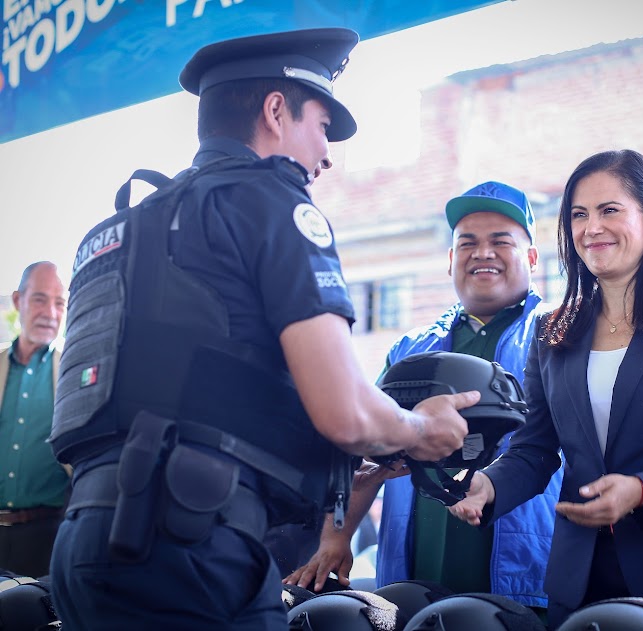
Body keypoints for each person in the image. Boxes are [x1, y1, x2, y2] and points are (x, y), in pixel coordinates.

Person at [46, 28, 479, 631]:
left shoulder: (118, 232)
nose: (327, 155)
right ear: (277, 111)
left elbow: (165, 399)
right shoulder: (271, 201)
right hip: (191, 545)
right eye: (322, 127)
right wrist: (419, 429)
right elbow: (345, 411)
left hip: (83, 545)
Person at [450, 149, 643, 631]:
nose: (591, 228)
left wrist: (641, 491)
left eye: (609, 210)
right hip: (579, 582)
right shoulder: (553, 330)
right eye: (578, 214)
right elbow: (534, 449)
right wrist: (489, 484)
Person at [286, 181, 563, 618]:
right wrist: (337, 536)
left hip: (528, 577)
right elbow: (365, 448)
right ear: (451, 259)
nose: (482, 252)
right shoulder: (410, 351)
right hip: (412, 578)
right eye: (467, 243)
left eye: (500, 241)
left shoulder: (561, 336)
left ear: (531, 258)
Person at [0, 261, 69, 578]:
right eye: (40, 299)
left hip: (48, 535)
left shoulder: (74, 368)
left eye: (59, 302)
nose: (51, 313)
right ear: (18, 301)